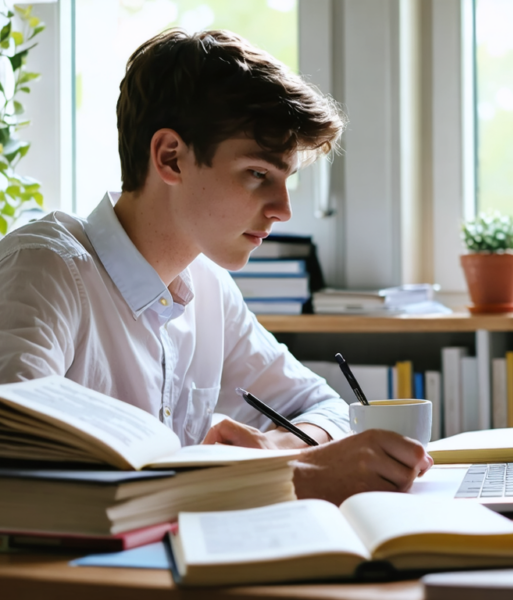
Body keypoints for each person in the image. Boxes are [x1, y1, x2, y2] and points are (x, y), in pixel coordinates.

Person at [0, 29, 432, 505]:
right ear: (171, 158)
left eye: (286, 179)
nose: (283, 209)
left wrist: (275, 448)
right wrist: (293, 478)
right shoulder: (42, 270)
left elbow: (324, 405)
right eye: (257, 174)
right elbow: (20, 478)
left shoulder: (208, 288)